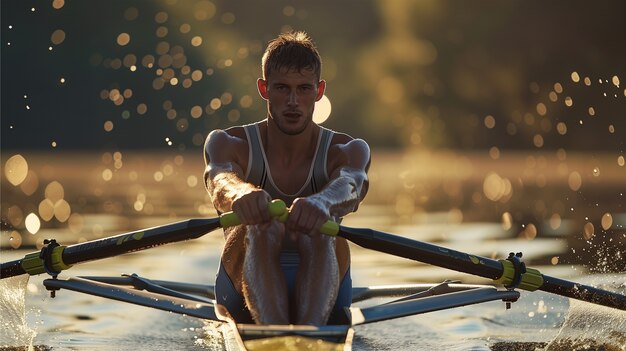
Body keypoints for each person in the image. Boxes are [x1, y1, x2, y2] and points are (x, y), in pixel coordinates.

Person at [203, 31, 370, 326]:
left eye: (304, 89)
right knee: (262, 227)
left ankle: (305, 337)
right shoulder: (228, 143)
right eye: (282, 88)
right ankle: (278, 335)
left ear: (319, 92)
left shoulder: (347, 149)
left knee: (319, 230)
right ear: (264, 88)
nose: (293, 101)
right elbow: (219, 180)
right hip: (239, 284)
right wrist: (240, 193)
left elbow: (353, 184)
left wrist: (323, 201)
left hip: (325, 274)